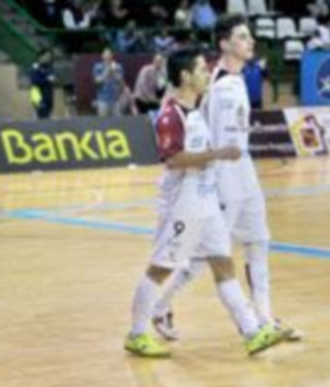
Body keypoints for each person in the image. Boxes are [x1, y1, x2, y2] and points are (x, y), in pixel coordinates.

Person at [151, 14, 302, 343]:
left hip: (244, 172)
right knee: (205, 257)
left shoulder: (239, 78)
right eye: (242, 37)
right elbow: (215, 142)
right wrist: (215, 186)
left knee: (259, 242)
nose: (250, 42)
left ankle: (264, 318)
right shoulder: (217, 84)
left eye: (250, 36)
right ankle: (160, 305)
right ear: (225, 44)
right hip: (222, 178)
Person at [124, 46, 283, 358]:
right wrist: (219, 154)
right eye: (200, 69)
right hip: (181, 207)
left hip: (206, 203)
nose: (206, 73)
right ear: (185, 76)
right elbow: (174, 160)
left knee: (224, 264)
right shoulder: (171, 115)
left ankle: (252, 332)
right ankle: (138, 332)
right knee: (160, 269)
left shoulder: (196, 112)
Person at [93, 48, 124, 117]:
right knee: (103, 123)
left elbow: (121, 82)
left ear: (112, 56)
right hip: (102, 99)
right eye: (105, 55)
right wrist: (106, 72)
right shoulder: (98, 67)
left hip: (115, 99)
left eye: (109, 55)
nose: (107, 57)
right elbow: (97, 81)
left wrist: (114, 73)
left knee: (118, 122)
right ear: (102, 56)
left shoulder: (118, 67)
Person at [29, 49, 56, 120]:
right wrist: (46, 79)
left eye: (49, 57)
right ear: (40, 57)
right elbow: (34, 80)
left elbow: (53, 78)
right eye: (46, 56)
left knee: (47, 115)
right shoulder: (34, 67)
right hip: (39, 96)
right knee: (41, 114)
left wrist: (46, 76)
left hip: (48, 96)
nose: (48, 58)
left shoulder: (50, 68)